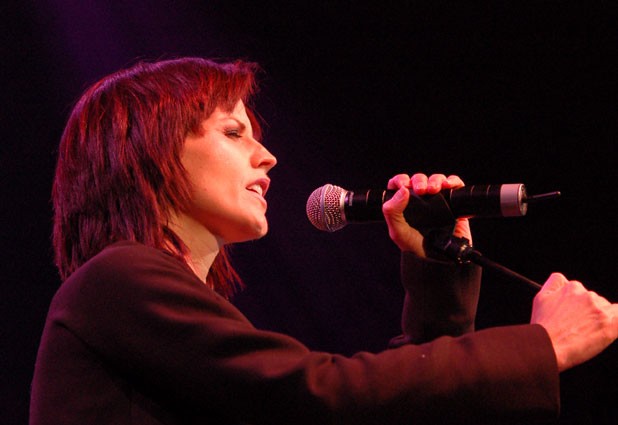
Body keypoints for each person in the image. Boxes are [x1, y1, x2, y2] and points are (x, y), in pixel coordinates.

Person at [29, 57, 617, 425]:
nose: (267, 155)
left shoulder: (153, 305)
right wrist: (544, 345)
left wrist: (438, 280)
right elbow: (318, 397)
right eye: (233, 132)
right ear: (146, 153)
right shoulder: (117, 280)